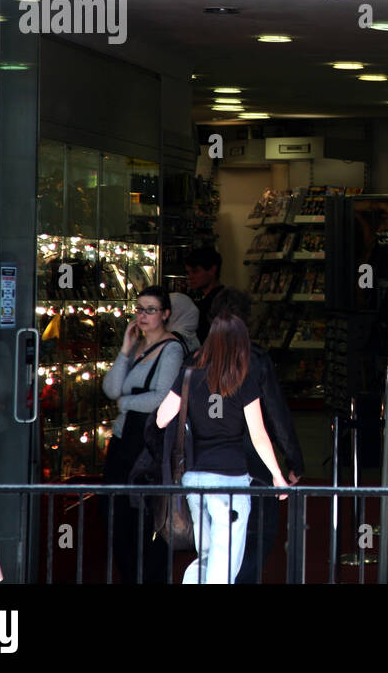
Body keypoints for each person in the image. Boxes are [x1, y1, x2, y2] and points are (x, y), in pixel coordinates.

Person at [156, 313, 287, 584]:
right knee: (225, 562)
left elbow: (161, 419)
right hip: (232, 481)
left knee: (207, 556)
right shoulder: (243, 381)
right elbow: (259, 434)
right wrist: (277, 476)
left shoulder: (189, 376)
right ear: (241, 345)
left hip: (195, 479)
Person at [209, 287, 304, 583]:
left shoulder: (196, 359)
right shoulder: (257, 360)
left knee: (216, 540)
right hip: (253, 462)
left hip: (206, 462)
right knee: (257, 535)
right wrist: (293, 461)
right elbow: (275, 414)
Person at [101, 285, 184, 582]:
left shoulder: (171, 349)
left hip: (146, 446)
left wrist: (126, 403)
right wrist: (125, 349)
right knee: (116, 514)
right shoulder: (136, 347)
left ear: (165, 314)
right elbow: (110, 388)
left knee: (142, 517)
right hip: (123, 442)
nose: (144, 315)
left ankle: (148, 576)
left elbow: (165, 396)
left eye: (151, 309)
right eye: (139, 309)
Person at [184, 247, 224, 344]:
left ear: (212, 270)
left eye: (195, 271)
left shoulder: (219, 302)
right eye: (188, 272)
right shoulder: (215, 299)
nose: (190, 277)